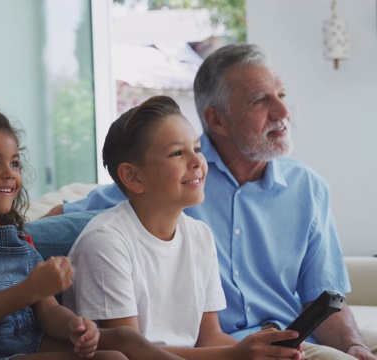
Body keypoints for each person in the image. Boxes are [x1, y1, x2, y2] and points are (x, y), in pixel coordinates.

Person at [44, 44, 377, 360]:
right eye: (260, 100)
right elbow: (56, 222)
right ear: (216, 120)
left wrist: (354, 345)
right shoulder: (157, 191)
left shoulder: (304, 189)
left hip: (282, 343)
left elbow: (321, 295)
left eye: (282, 95)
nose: (283, 112)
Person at [0, 105, 182, 360]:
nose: (9, 173)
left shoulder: (17, 238)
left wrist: (74, 326)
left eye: (14, 163)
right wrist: (30, 288)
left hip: (27, 344)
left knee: (124, 339)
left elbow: (47, 311)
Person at [62, 95, 304, 359]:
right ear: (133, 176)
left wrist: (257, 352)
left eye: (197, 149)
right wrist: (236, 356)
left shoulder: (200, 235)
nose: (197, 162)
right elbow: (129, 352)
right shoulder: (105, 242)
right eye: (177, 153)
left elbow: (209, 337)